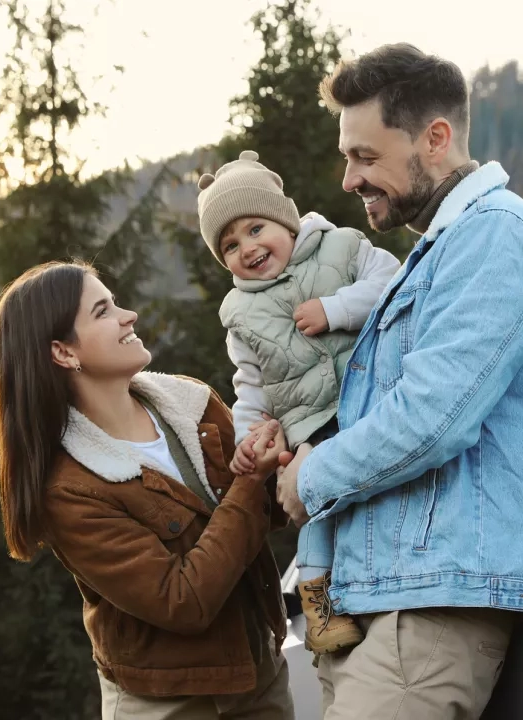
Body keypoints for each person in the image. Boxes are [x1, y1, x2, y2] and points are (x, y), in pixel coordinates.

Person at [272, 43, 523, 719]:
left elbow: (431, 417)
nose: (348, 179)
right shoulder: (442, 249)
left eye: (365, 156)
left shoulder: (499, 237)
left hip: (428, 608)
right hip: (380, 598)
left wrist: (311, 477)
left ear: (435, 139)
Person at [0, 261, 294, 720]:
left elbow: (270, 514)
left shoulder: (192, 403)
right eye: (103, 311)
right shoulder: (70, 489)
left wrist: (278, 452)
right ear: (63, 352)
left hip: (261, 674)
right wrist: (251, 482)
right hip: (171, 703)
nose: (128, 315)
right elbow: (183, 601)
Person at [195, 149, 401, 655]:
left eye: (256, 227)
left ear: (286, 219)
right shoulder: (240, 314)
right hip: (308, 423)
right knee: (313, 511)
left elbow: (396, 284)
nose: (248, 247)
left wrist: (336, 309)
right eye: (230, 244)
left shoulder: (344, 247)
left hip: (371, 400)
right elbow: (251, 387)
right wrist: (251, 441)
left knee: (376, 493)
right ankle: (320, 608)